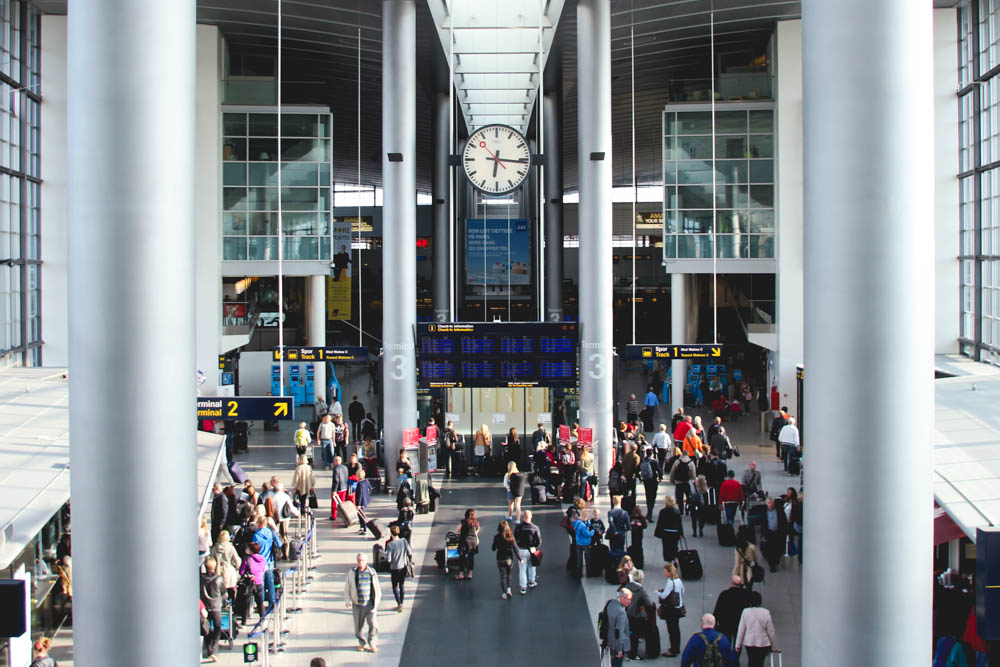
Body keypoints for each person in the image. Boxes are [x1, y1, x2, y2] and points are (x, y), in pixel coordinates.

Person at [344, 552, 382, 653]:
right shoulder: (352, 573)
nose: (360, 562)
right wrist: (347, 600)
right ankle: (362, 642)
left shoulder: (372, 572)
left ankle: (372, 643)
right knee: (358, 626)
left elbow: (377, 588)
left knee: (373, 625)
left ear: (366, 561)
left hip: (370, 605)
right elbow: (347, 587)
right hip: (357, 605)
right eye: (358, 560)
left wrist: (377, 601)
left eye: (362, 560)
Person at [735, 592, 779, 667]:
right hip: (763, 642)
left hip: (750, 642)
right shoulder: (766, 612)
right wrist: (774, 646)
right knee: (760, 662)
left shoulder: (745, 612)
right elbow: (771, 631)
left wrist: (738, 645)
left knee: (751, 661)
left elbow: (741, 630)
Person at [622, 568, 656, 660]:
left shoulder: (627, 587)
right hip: (637, 616)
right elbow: (649, 604)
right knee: (636, 635)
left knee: (630, 633)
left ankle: (626, 650)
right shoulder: (641, 591)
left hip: (627, 614)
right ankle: (633, 655)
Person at [251, 515, 282, 611]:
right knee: (270, 582)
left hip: (259, 562)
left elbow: (253, 549)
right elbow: (280, 544)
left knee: (261, 584)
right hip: (270, 560)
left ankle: (260, 605)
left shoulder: (256, 535)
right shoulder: (271, 532)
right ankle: (272, 603)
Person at [712, 575, 752, 648]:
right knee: (738, 643)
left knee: (726, 642)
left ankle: (727, 657)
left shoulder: (724, 594)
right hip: (739, 623)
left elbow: (717, 609)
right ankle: (736, 658)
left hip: (725, 623)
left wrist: (715, 622)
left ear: (732, 583)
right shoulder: (744, 596)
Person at [657, 562, 685, 658]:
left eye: (665, 571)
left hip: (671, 609)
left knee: (671, 629)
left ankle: (673, 650)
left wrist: (658, 592)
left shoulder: (670, 582)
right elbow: (683, 591)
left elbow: (664, 595)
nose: (664, 573)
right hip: (678, 608)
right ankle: (676, 648)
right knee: (676, 629)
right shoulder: (678, 580)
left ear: (669, 572)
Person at [200, 557, 225, 662]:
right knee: (217, 628)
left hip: (205, 607)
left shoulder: (201, 579)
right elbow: (223, 592)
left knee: (206, 628)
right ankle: (214, 650)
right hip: (216, 606)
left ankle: (209, 649)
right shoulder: (219, 579)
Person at [385, 524, 413, 612]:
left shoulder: (390, 545)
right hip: (403, 566)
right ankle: (402, 603)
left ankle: (398, 603)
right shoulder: (404, 541)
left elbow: (388, 559)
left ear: (391, 534)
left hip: (394, 568)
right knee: (402, 585)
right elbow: (410, 552)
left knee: (394, 586)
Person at [491, 520, 521, 599]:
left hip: (500, 558)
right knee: (509, 574)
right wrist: (520, 558)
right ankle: (509, 590)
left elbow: (493, 548)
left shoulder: (496, 537)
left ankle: (504, 593)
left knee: (502, 576)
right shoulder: (511, 537)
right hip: (509, 559)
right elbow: (515, 548)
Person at [210, 529, 241, 606]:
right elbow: (237, 561)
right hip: (229, 571)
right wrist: (237, 567)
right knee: (231, 590)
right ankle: (232, 607)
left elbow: (211, 560)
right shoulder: (231, 548)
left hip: (218, 571)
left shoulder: (214, 548)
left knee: (220, 591)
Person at [513, 510, 541, 594]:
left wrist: (517, 546)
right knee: (532, 566)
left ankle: (523, 587)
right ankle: (532, 581)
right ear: (531, 516)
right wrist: (536, 547)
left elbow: (514, 538)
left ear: (523, 517)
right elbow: (538, 540)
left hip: (521, 550)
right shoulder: (535, 528)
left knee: (522, 569)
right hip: (531, 550)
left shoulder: (518, 527)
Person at [239, 541, 266, 622]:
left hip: (249, 582)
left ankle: (244, 620)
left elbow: (241, 571)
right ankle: (262, 619)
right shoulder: (262, 559)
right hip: (259, 581)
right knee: (260, 602)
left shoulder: (247, 559)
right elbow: (263, 569)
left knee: (246, 602)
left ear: (250, 550)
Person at [605, 587, 633, 667]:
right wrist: (620, 650)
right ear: (621, 597)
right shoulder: (621, 613)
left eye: (630, 600)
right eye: (627, 599)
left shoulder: (611, 603)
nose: (629, 602)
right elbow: (619, 632)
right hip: (618, 644)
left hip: (610, 641)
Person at [760, 497, 789, 572]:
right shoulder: (764, 512)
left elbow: (784, 521)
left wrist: (785, 531)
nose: (770, 504)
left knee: (778, 548)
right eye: (769, 503)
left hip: (778, 532)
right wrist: (763, 533)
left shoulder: (779, 511)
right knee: (770, 549)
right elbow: (762, 523)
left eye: (772, 502)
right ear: (766, 504)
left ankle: (776, 559)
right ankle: (772, 565)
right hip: (769, 533)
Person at [654, 495, 684, 562]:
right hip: (675, 532)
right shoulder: (677, 511)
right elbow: (679, 524)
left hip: (666, 532)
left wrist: (658, 533)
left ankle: (669, 561)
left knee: (667, 548)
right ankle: (675, 558)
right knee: (675, 547)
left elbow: (660, 523)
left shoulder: (663, 512)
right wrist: (681, 533)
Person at [669, 449, 696, 515]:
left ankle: (681, 511)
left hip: (679, 482)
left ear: (682, 454)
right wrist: (693, 482)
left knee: (680, 498)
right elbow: (693, 474)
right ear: (688, 454)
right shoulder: (691, 463)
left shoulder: (677, 461)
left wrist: (672, 480)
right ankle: (687, 509)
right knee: (688, 497)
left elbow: (673, 472)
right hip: (687, 482)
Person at [638, 448, 663, 521]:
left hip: (646, 480)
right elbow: (659, 470)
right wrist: (660, 477)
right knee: (652, 497)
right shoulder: (654, 461)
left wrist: (640, 478)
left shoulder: (643, 460)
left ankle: (649, 512)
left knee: (648, 496)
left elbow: (637, 469)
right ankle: (649, 514)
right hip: (653, 480)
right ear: (652, 454)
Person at [456, 509, 480, 580]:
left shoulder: (463, 522)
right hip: (473, 542)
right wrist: (475, 533)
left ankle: (461, 574)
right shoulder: (475, 522)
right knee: (471, 558)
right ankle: (470, 574)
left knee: (462, 557)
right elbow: (478, 528)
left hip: (464, 541)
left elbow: (457, 530)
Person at [573, 508, 597, 578]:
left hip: (578, 543)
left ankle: (579, 573)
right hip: (585, 543)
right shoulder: (582, 526)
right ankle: (588, 573)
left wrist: (587, 522)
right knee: (587, 559)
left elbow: (586, 525)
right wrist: (592, 531)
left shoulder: (577, 523)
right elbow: (587, 534)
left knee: (579, 559)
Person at [330, 456, 349, 521]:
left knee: (334, 503)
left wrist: (334, 490)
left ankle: (334, 516)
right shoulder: (345, 467)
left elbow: (336, 480)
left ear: (335, 461)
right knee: (342, 502)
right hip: (344, 487)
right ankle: (343, 515)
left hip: (338, 488)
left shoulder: (336, 468)